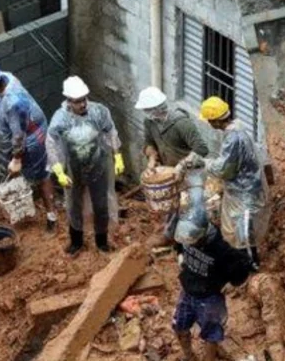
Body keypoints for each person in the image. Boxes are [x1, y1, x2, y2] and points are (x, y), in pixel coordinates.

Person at [171, 171, 254, 361]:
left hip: (209, 297)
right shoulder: (188, 230)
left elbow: (241, 268)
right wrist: (180, 254)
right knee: (179, 326)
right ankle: (189, 357)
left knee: (210, 333)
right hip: (188, 289)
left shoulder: (221, 248)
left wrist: (231, 283)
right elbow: (179, 241)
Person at [0, 63, 58, 230]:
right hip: (13, 134)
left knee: (42, 175)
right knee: (13, 175)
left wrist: (17, 157)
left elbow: (19, 134)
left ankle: (51, 216)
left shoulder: (13, 102)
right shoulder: (4, 76)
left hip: (32, 138)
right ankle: (20, 209)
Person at [48, 76, 122, 255]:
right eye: (77, 101)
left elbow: (110, 132)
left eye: (83, 100)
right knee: (74, 204)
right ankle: (76, 241)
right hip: (73, 169)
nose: (82, 104)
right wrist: (58, 171)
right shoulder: (60, 119)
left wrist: (118, 156)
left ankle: (102, 241)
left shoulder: (99, 112)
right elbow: (52, 144)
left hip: (98, 164)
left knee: (101, 204)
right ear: (68, 101)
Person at [196, 96, 269, 269]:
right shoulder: (237, 128)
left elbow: (224, 169)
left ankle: (251, 265)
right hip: (244, 186)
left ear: (215, 121)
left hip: (244, 189)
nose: (209, 124)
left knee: (243, 229)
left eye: (209, 120)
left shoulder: (233, 138)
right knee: (240, 227)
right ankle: (244, 260)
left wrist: (204, 163)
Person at [135, 86, 209, 246]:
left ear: (157, 109)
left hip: (191, 170)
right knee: (170, 204)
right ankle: (169, 235)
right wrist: (152, 159)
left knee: (194, 204)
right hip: (169, 169)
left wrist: (182, 165)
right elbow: (149, 143)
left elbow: (202, 149)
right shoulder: (150, 122)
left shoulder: (181, 123)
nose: (146, 113)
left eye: (147, 110)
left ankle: (198, 240)